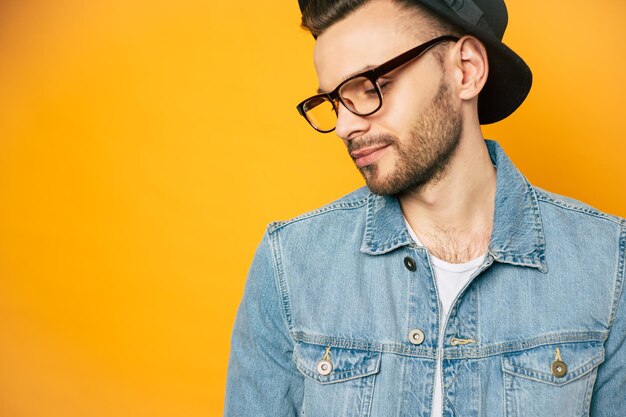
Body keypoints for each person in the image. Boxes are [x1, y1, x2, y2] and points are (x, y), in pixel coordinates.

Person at [224, 0, 626, 415]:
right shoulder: (290, 262)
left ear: (465, 70)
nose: (345, 126)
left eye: (370, 86)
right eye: (334, 102)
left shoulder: (609, 264)